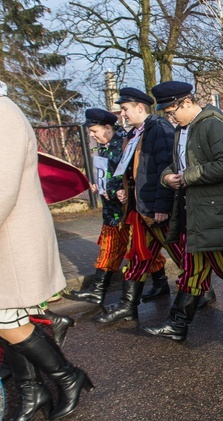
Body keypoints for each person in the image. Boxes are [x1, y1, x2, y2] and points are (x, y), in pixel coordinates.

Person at [0, 82, 93, 420]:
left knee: (6, 318)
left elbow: (2, 188)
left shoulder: (3, 114)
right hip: (7, 235)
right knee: (10, 316)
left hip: (12, 235)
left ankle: (67, 377)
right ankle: (33, 391)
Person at [137, 81, 223, 341]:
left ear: (186, 102)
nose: (169, 117)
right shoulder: (181, 130)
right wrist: (167, 178)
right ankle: (177, 325)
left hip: (216, 215)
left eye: (171, 111)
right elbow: (173, 166)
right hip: (195, 215)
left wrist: (189, 176)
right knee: (193, 272)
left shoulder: (212, 125)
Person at [67, 107, 168, 307]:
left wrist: (118, 191)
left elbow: (132, 175)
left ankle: (105, 291)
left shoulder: (126, 143)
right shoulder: (105, 147)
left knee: (132, 249)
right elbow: (108, 174)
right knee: (126, 248)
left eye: (94, 131)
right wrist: (98, 184)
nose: (92, 136)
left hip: (128, 210)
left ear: (107, 128)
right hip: (112, 209)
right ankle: (158, 283)